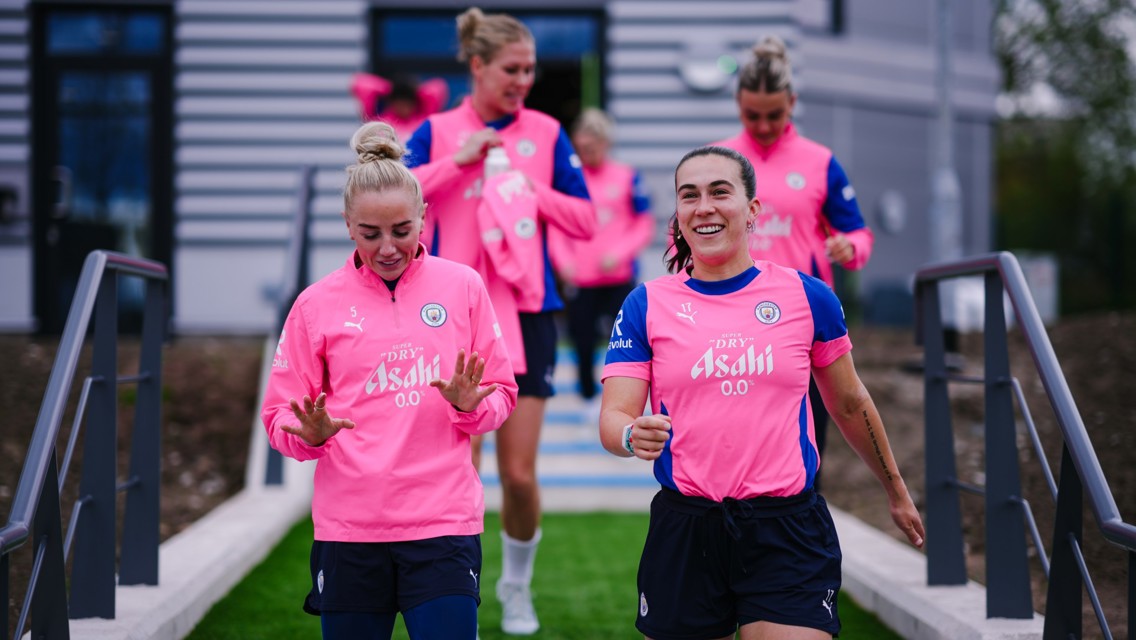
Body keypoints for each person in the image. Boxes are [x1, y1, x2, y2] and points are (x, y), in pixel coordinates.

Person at [598, 146, 923, 640]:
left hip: (786, 529)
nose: (703, 206)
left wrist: (896, 491)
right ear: (679, 215)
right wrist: (629, 435)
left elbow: (849, 403)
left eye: (719, 192)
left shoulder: (809, 297)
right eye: (689, 196)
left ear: (753, 210)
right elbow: (614, 415)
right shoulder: (646, 304)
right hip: (687, 528)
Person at [261, 121, 518, 640]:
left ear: (424, 217)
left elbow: (503, 394)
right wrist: (305, 436)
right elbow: (278, 416)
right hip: (349, 531)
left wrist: (472, 407)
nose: (387, 248)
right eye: (369, 233)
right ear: (347, 224)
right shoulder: (315, 305)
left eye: (402, 230)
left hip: (443, 526)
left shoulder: (463, 286)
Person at [403, 7, 596, 636]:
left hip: (529, 315)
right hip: (446, 320)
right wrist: (459, 161)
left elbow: (585, 220)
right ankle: (454, 594)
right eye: (512, 69)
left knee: (517, 472)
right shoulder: (435, 131)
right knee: (460, 468)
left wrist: (527, 188)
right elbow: (394, 198)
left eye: (531, 69)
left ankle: (516, 586)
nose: (524, 80)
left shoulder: (545, 131)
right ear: (478, 66)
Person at [711, 36, 875, 481]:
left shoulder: (820, 162)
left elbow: (858, 234)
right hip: (729, 326)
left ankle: (801, 541)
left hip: (801, 327)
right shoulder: (720, 160)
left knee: (805, 454)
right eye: (752, 116)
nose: (763, 126)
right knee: (730, 447)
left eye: (775, 115)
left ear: (793, 103)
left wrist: (849, 247)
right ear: (738, 105)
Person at [548, 107, 655, 415]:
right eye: (582, 149)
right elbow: (557, 225)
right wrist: (563, 261)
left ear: (606, 143)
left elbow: (643, 224)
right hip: (581, 279)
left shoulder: (627, 177)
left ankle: (630, 399)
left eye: (592, 148)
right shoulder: (569, 180)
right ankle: (586, 397)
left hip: (618, 278)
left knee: (628, 341)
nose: (587, 154)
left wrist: (620, 253)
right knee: (581, 338)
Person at [350, 72, 450, 141]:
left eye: (407, 104)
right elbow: (359, 83)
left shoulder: (424, 121)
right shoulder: (381, 121)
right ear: (392, 103)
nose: (404, 108)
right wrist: (391, 88)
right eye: (400, 103)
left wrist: (414, 90)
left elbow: (439, 87)